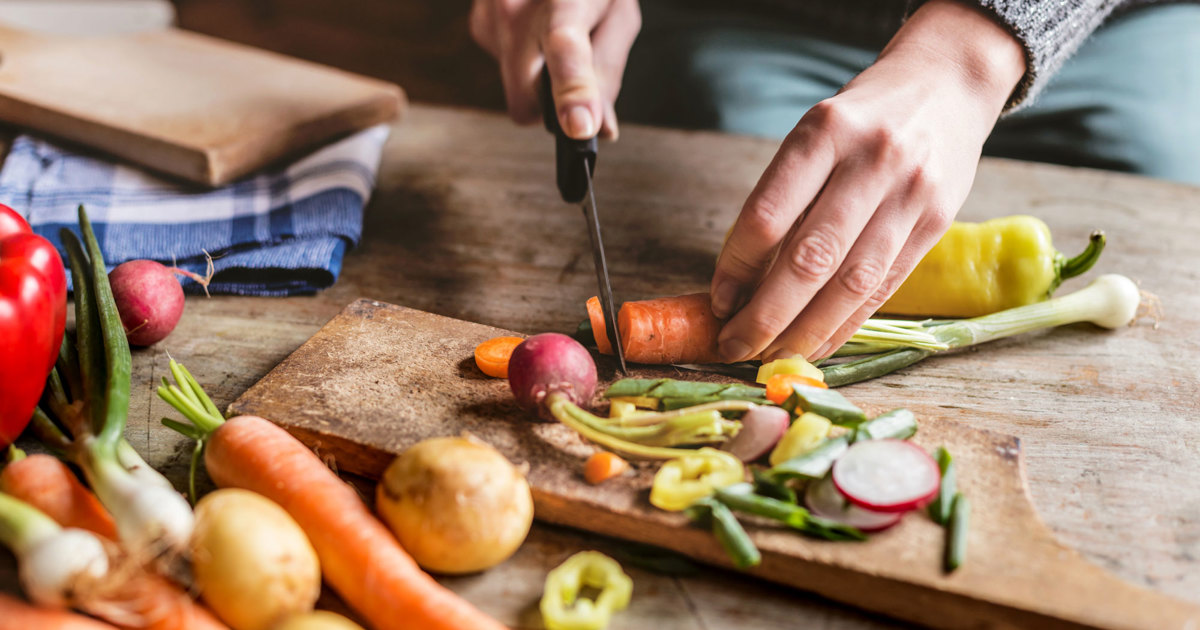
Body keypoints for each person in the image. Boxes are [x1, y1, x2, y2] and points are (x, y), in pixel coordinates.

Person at [468, 0, 1199, 362]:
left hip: (1114, 29)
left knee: (1154, 162)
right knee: (743, 161)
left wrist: (968, 53)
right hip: (764, 21)